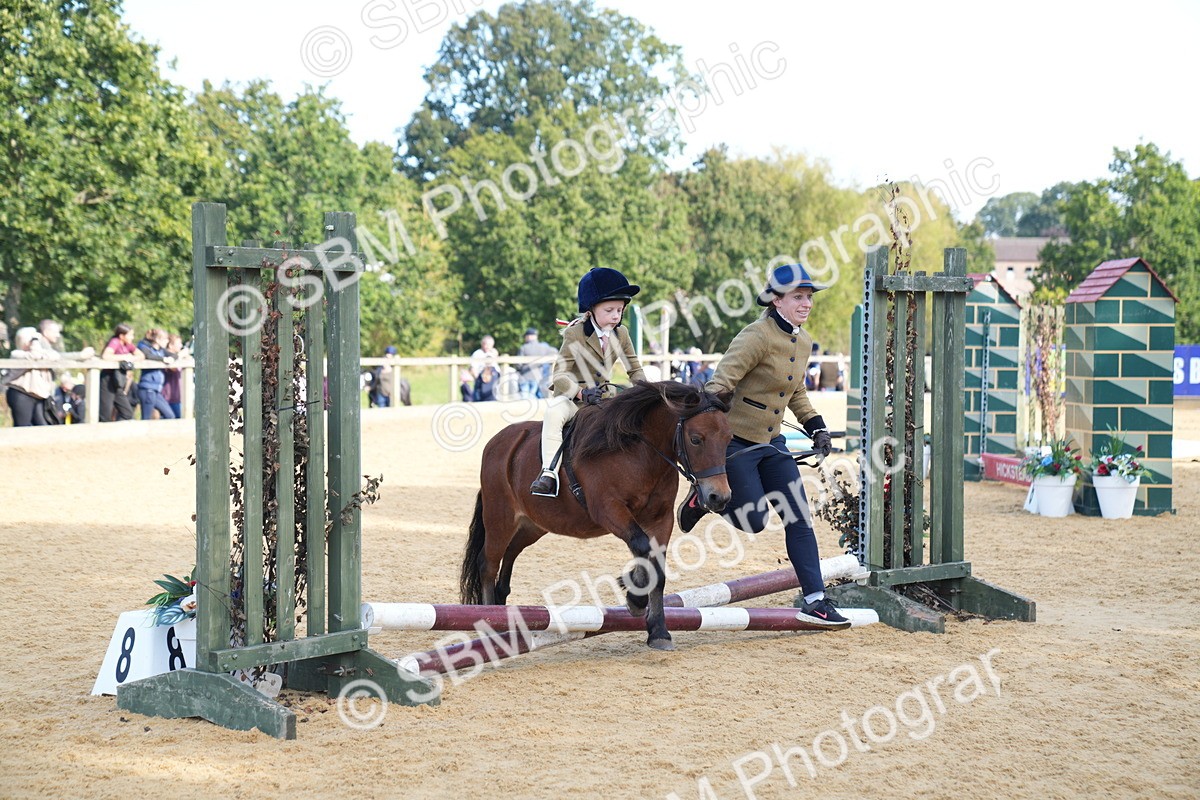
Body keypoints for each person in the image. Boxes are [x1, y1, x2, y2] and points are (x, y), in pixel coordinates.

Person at [678, 263, 847, 627]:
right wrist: (706, 426)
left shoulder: (802, 341)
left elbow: (796, 390)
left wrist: (816, 426)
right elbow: (720, 383)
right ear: (776, 300)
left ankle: (815, 600)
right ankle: (702, 498)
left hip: (772, 443)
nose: (806, 304)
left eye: (809, 298)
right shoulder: (755, 335)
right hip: (735, 444)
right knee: (754, 521)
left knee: (798, 517)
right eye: (798, 297)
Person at [529, 267, 645, 496]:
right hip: (573, 398)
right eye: (609, 310)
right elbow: (559, 375)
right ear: (591, 310)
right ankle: (548, 473)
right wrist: (581, 394)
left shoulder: (621, 334)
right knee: (553, 412)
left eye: (619, 310)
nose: (615, 316)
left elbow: (635, 369)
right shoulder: (575, 334)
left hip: (605, 397)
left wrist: (647, 393)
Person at [2, 327, 56, 426]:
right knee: (22, 426)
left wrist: (41, 353)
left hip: (38, 395)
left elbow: (55, 356)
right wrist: (35, 341)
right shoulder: (16, 354)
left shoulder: (41, 354)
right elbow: (34, 356)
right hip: (21, 393)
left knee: (43, 426)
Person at [99, 323, 143, 422]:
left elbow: (141, 355)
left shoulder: (128, 344)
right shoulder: (115, 342)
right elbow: (106, 356)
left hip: (118, 381)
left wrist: (132, 359)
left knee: (127, 413)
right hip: (108, 380)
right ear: (122, 336)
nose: (132, 337)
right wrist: (124, 357)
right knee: (105, 414)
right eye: (130, 335)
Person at [136, 328, 176, 420]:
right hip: (147, 388)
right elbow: (148, 355)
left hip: (156, 389)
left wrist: (171, 359)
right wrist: (163, 359)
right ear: (158, 340)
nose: (167, 341)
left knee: (170, 415)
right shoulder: (144, 347)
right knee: (146, 418)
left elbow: (174, 355)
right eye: (165, 339)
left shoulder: (161, 351)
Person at [517, 328, 556, 399]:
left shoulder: (524, 347)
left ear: (529, 336)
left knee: (524, 399)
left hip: (524, 376)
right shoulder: (544, 347)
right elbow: (555, 352)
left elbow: (518, 365)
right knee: (534, 399)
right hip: (538, 377)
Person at [162, 333, 188, 418]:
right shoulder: (166, 356)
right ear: (170, 345)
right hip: (167, 397)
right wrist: (180, 355)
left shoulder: (177, 357)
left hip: (177, 397)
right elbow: (173, 368)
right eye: (178, 343)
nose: (181, 346)